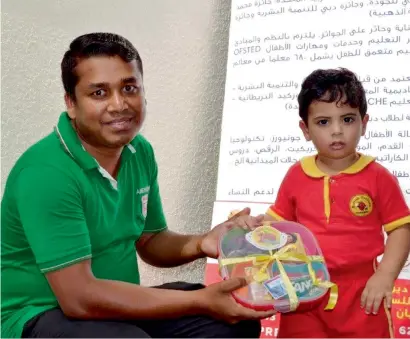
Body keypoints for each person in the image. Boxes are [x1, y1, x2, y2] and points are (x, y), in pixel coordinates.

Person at [0, 32, 276, 338]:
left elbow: (151, 241)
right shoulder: (46, 173)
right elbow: (78, 299)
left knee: (233, 323)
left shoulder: (138, 151)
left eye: (129, 88)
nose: (119, 105)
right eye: (99, 93)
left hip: (117, 307)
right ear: (71, 104)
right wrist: (200, 300)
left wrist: (203, 243)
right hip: (39, 314)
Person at [236, 68, 410, 338]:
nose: (337, 131)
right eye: (324, 122)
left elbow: (401, 229)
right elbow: (277, 223)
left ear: (364, 123)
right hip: (303, 291)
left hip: (363, 295)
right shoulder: (296, 175)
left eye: (348, 119)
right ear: (305, 129)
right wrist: (253, 225)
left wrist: (384, 276)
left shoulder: (378, 177)